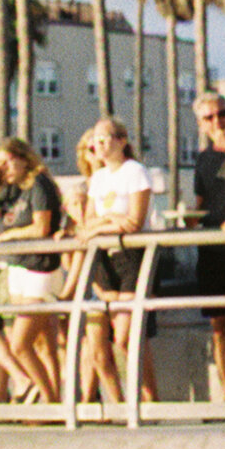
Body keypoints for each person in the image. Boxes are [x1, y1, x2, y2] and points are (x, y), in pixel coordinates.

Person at [78, 117, 157, 403]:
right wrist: (110, 220)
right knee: (110, 335)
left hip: (132, 257)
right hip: (104, 259)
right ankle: (126, 401)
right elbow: (87, 223)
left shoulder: (134, 172)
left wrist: (102, 223)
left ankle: (150, 397)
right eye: (95, 140)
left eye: (105, 138)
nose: (98, 145)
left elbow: (134, 221)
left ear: (122, 141)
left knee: (127, 335)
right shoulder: (98, 178)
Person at [0, 137, 64, 403]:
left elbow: (42, 227)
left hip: (39, 270)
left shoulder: (38, 184)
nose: (4, 168)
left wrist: (11, 235)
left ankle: (49, 398)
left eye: (7, 161)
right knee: (41, 343)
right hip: (19, 268)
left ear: (23, 158)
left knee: (20, 343)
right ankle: (50, 400)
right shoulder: (11, 189)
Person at [189, 92, 225, 403]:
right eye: (209, 117)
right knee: (219, 327)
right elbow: (201, 202)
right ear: (200, 123)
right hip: (212, 250)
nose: (217, 121)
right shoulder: (203, 159)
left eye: (222, 113)